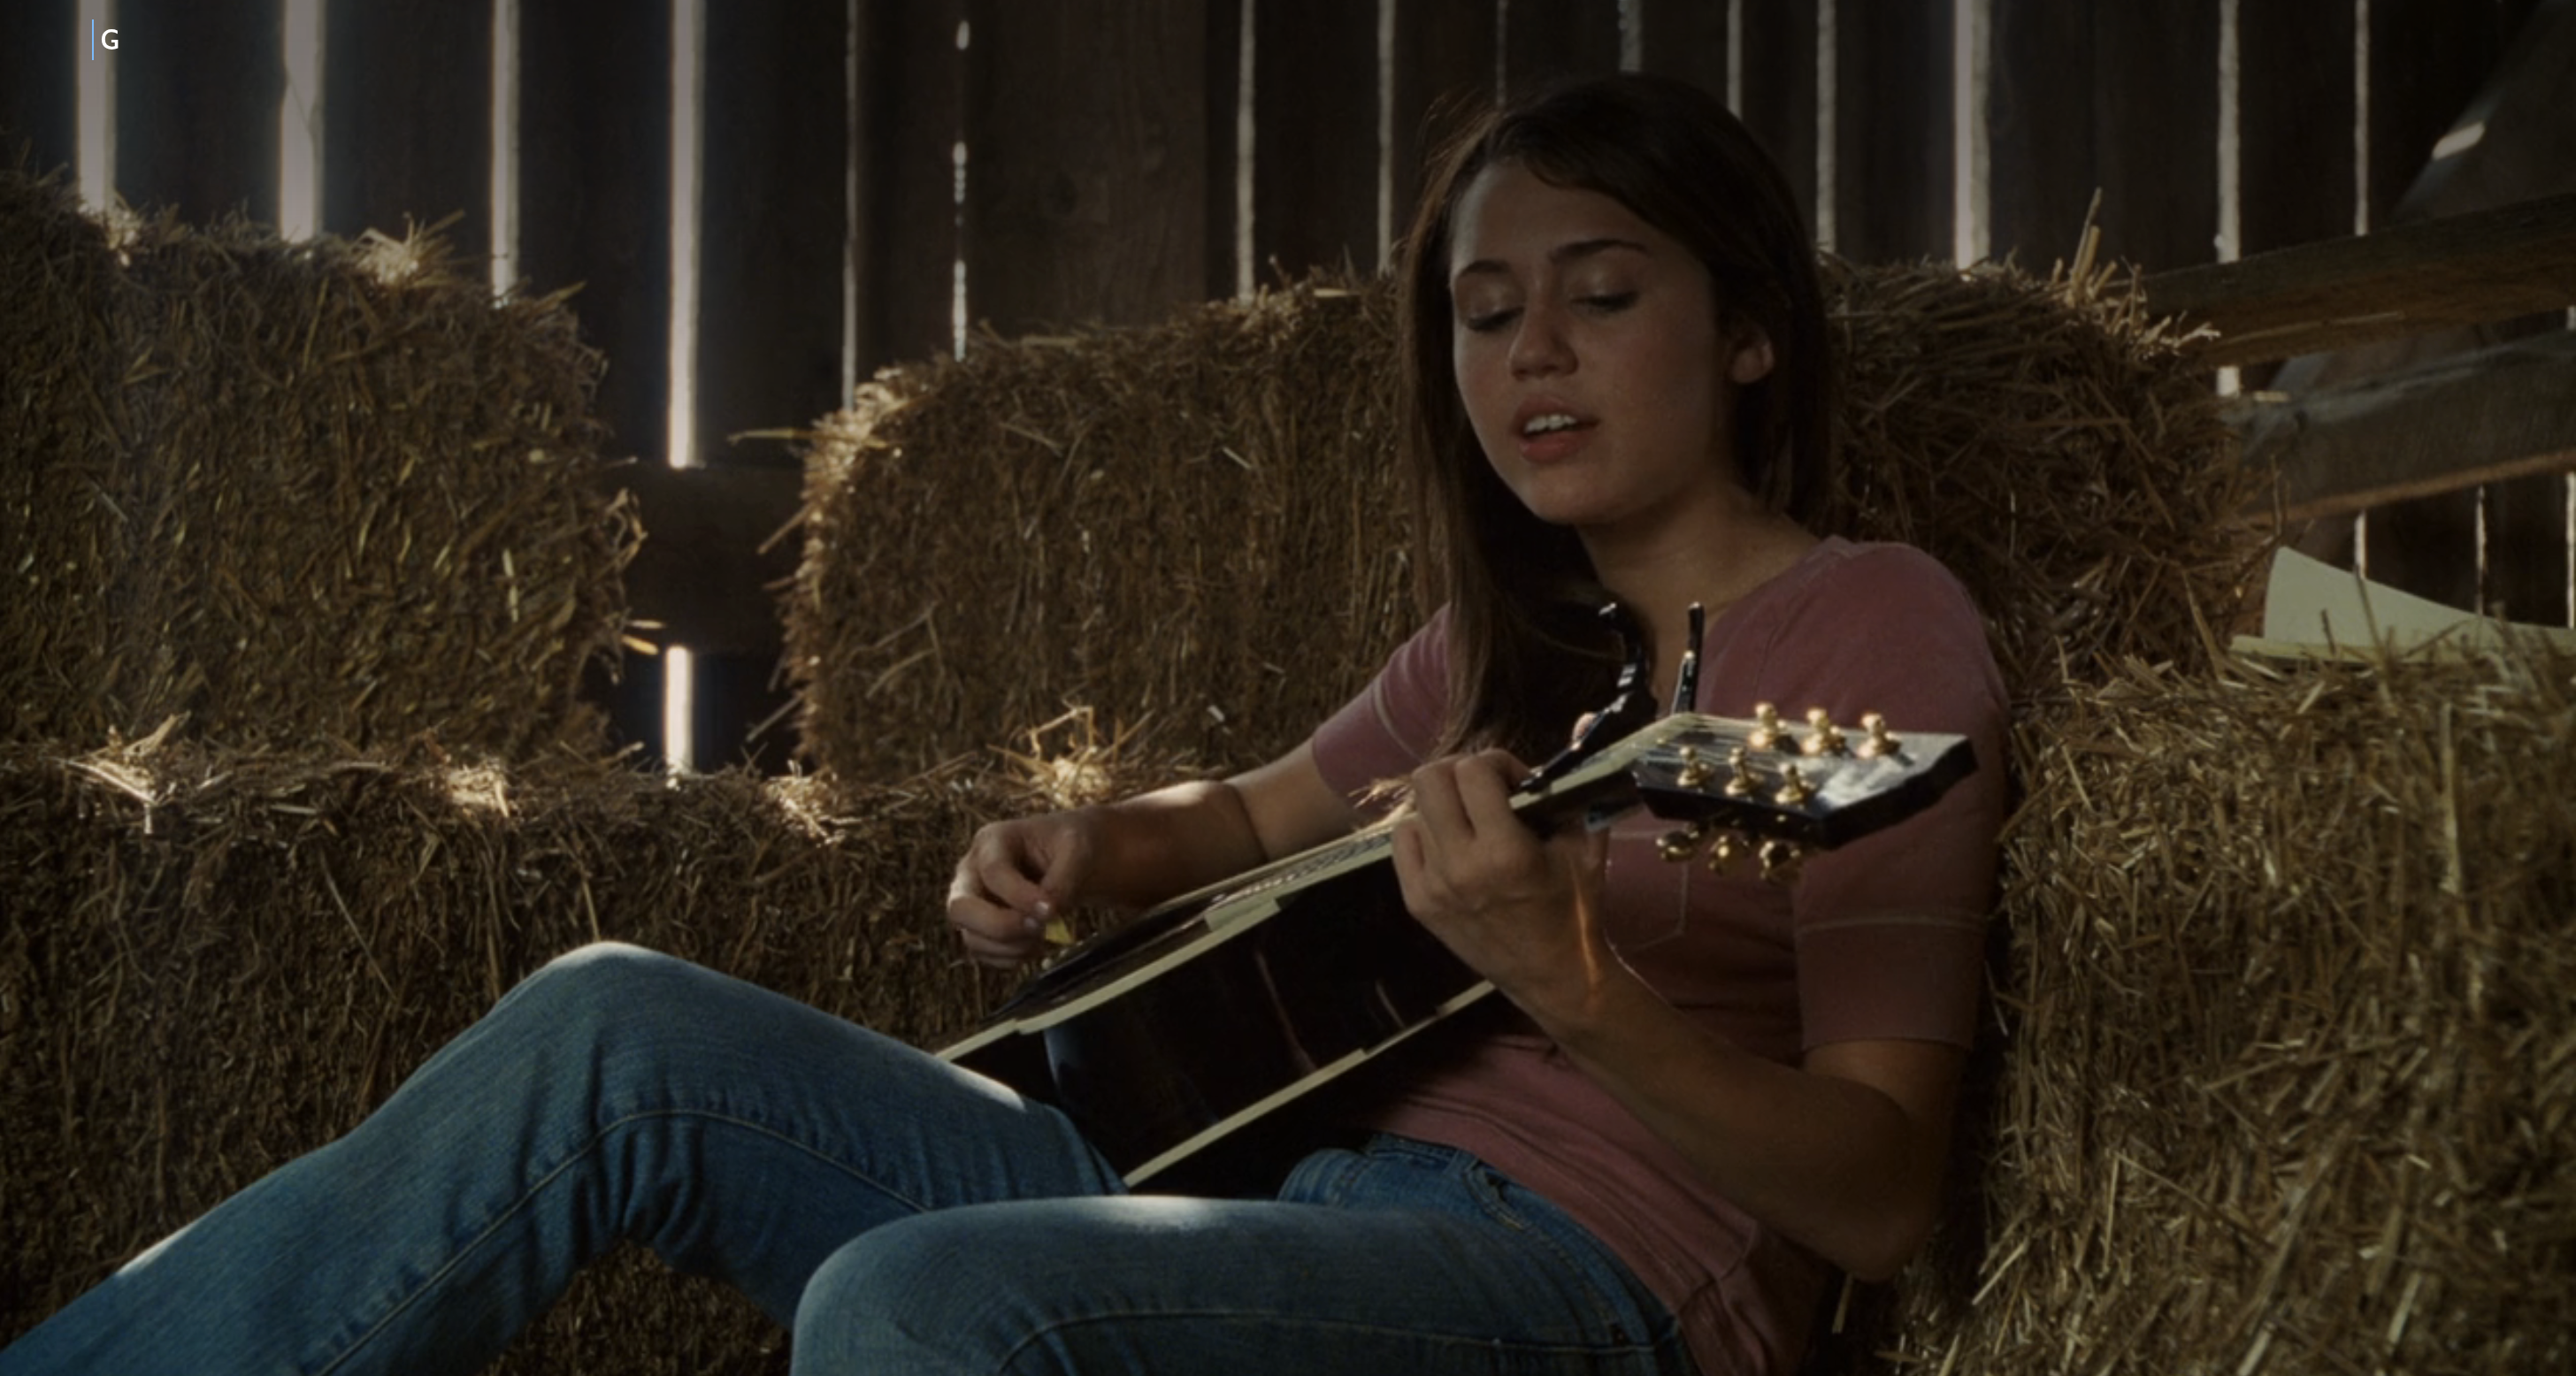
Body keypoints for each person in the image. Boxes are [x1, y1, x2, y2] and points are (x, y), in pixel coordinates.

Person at [1, 73, 2005, 1376]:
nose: (1532, 352)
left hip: (1582, 1283)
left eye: (1598, 293)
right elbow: (1256, 816)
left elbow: (1874, 1193)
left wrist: (1573, 983)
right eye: (1487, 312)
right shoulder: (1506, 645)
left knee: (916, 1309)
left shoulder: (1872, 630)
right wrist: (1089, 849)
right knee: (610, 1024)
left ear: (1747, 329)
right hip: (1264, 1196)